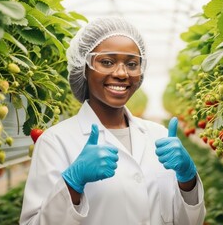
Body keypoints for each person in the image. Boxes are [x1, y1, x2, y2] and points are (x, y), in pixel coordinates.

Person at [20, 17, 206, 225]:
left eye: (132, 64)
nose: (121, 73)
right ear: (84, 67)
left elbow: (188, 222)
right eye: (107, 62)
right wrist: (72, 184)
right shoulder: (56, 141)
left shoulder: (160, 136)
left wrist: (188, 180)